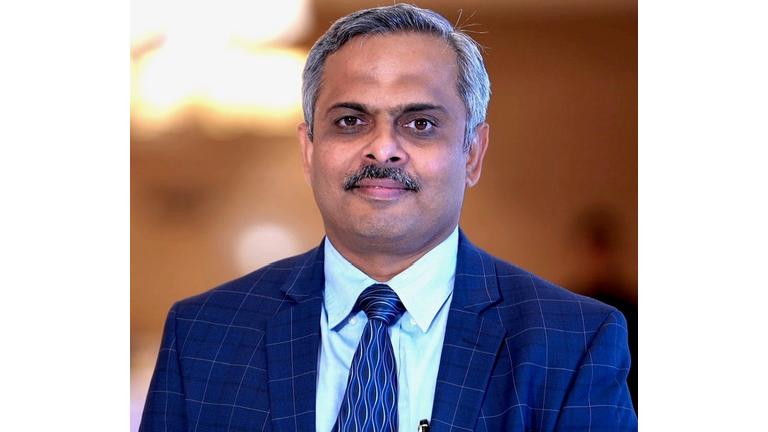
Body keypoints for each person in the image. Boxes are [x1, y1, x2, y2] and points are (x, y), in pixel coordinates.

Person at [139, 4, 637, 431]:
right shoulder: (203, 334)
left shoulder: (571, 342)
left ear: (472, 153)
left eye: (420, 123)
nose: (383, 148)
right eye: (350, 121)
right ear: (309, 150)